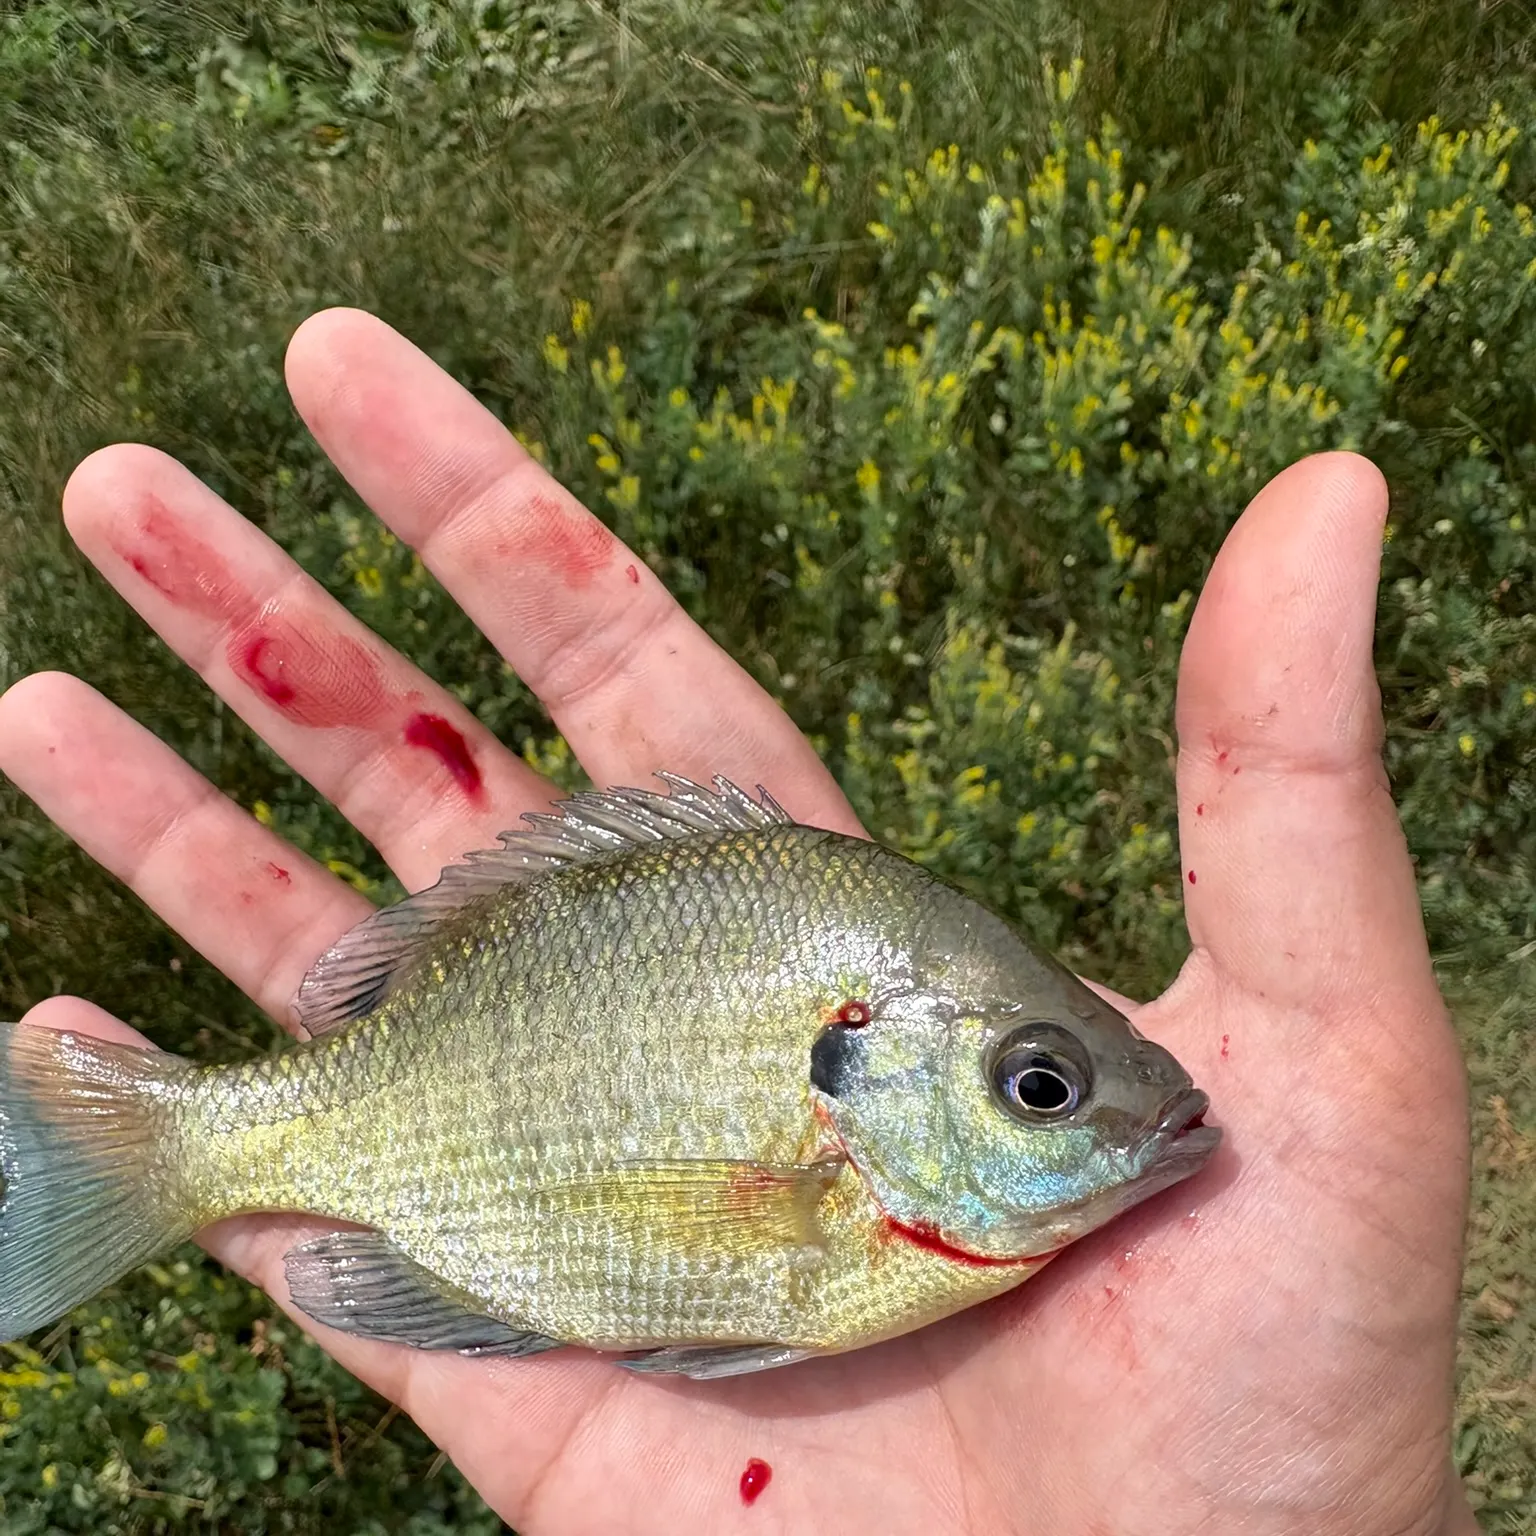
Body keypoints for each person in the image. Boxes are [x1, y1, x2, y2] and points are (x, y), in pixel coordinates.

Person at [0, 309, 1477, 1535]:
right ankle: (153, 1142)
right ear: (855, 1064)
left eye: (1046, 1086)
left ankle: (155, 1144)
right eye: (1040, 1086)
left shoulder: (934, 1204)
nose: (1086, 1112)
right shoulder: (858, 1175)